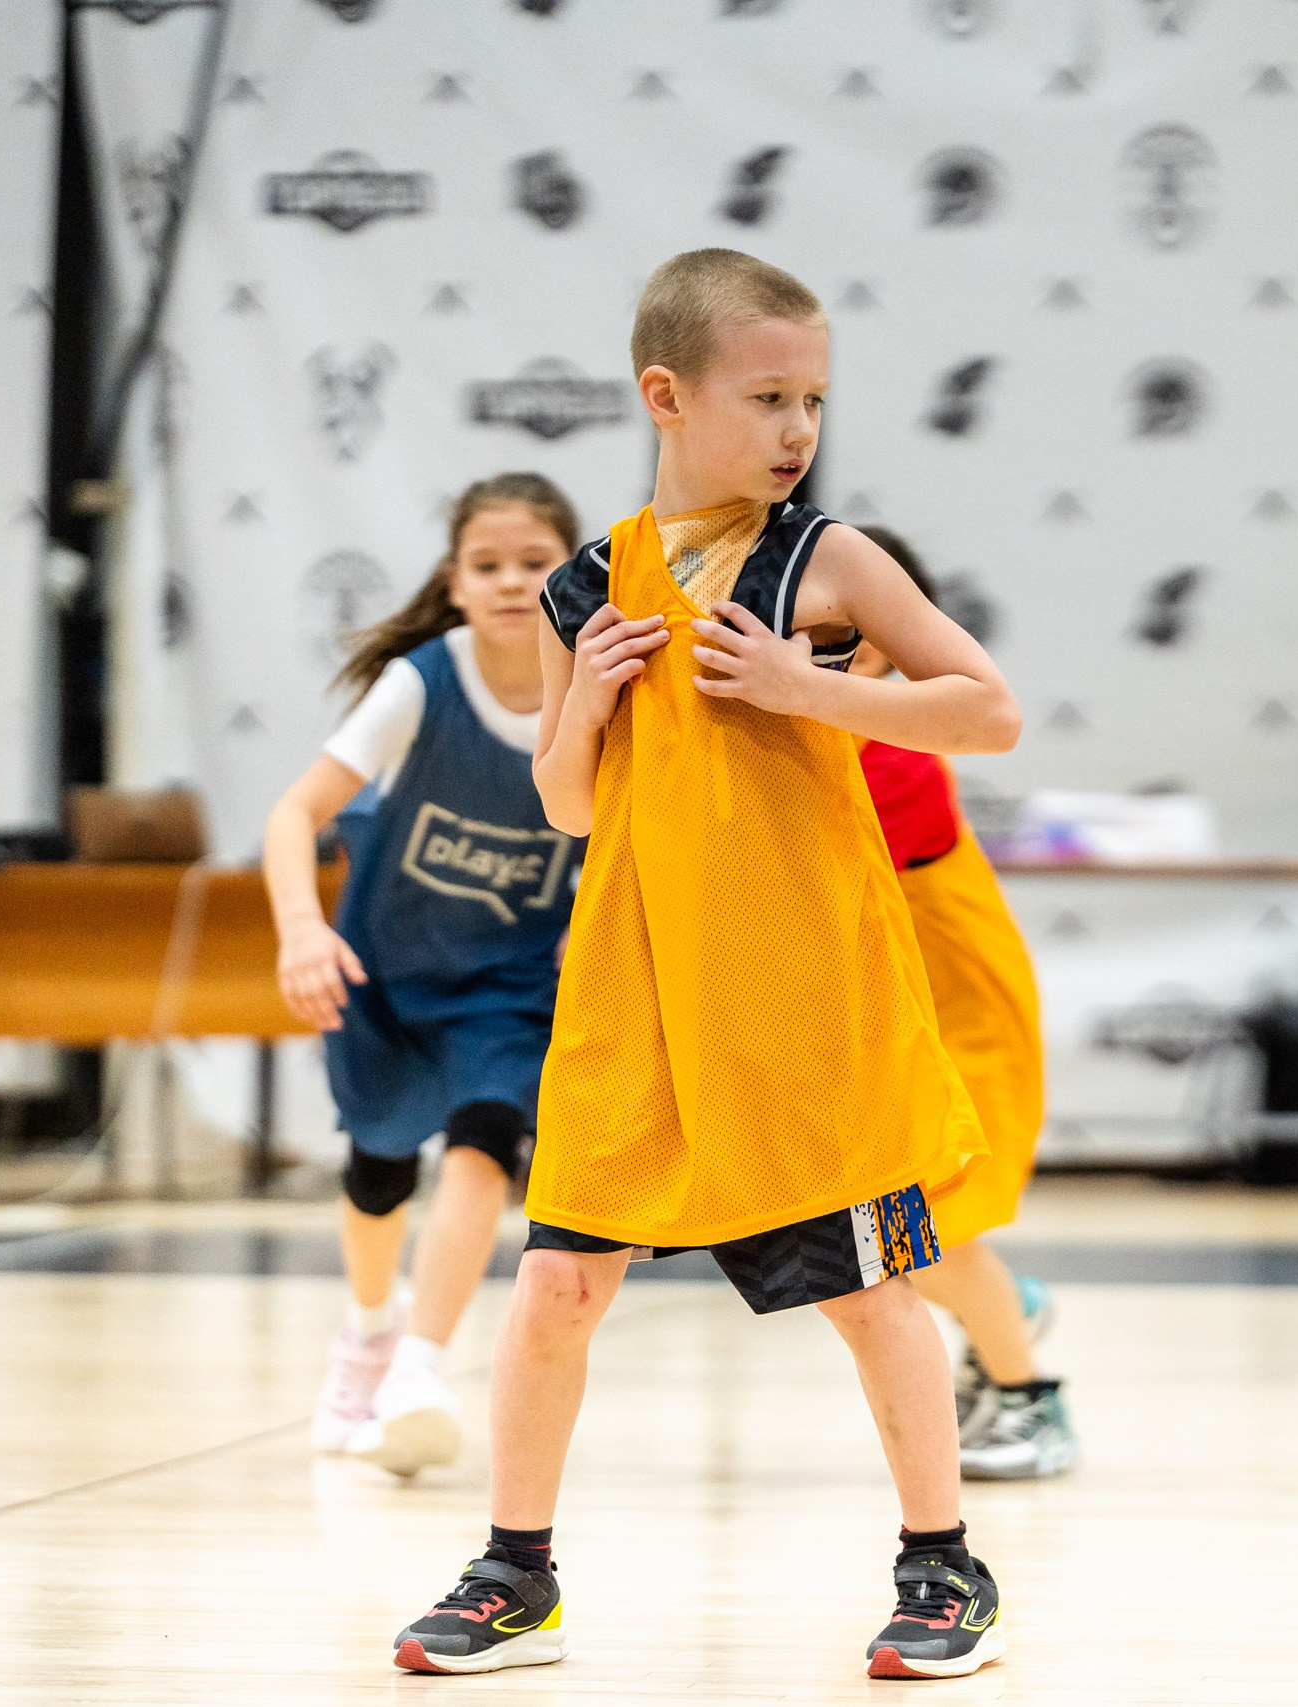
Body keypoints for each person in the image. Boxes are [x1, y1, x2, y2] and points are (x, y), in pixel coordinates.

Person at [389, 249, 1021, 1681]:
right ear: (665, 395)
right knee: (555, 1287)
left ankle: (946, 1564)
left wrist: (813, 689)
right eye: (770, 397)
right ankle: (515, 1570)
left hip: (801, 994)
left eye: (813, 399)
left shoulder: (829, 562)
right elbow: (571, 804)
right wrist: (587, 706)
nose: (799, 429)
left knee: (871, 1289)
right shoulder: (583, 588)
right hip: (637, 993)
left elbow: (990, 710)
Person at [263, 472, 582, 1479]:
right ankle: (366, 1335)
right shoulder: (421, 682)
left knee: (487, 1144)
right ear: (453, 582)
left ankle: (418, 1369)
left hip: (509, 985)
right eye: (487, 565)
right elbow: (290, 816)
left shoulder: (598, 694)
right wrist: (301, 933)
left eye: (534, 563)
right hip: (387, 971)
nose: (509, 582)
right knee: (377, 1170)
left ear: (572, 576)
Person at [849, 525, 1072, 1481]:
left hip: (960, 1024)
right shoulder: (824, 731)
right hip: (895, 1025)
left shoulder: (891, 746)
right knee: (877, 1236)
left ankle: (1030, 1397)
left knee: (916, 1235)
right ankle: (1005, 1309)